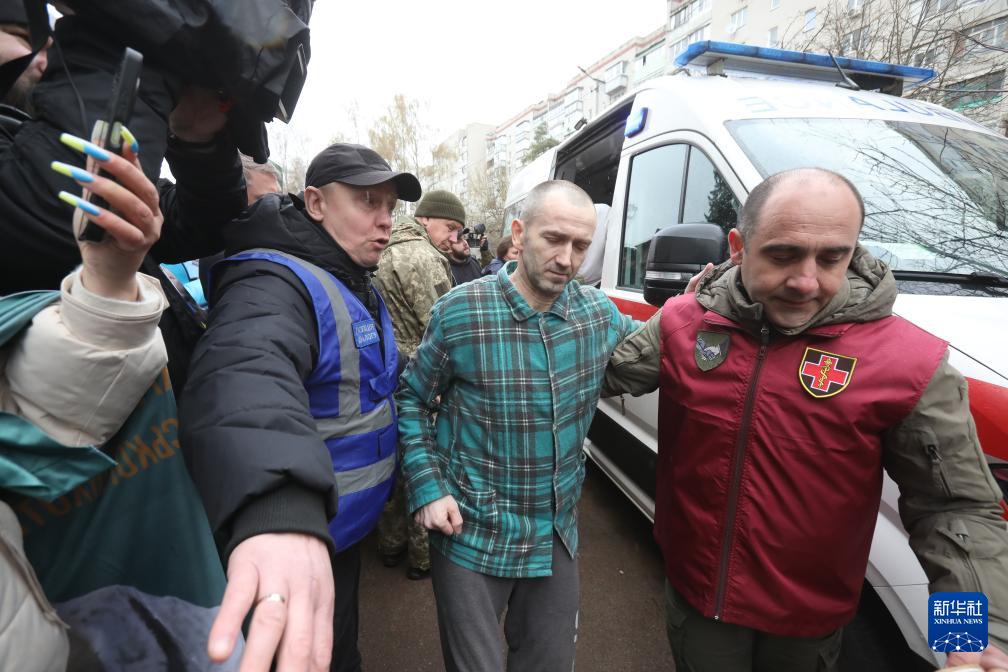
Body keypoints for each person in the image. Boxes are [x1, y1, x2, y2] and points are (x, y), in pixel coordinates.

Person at [601, 168, 1008, 672]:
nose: (805, 280)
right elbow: (599, 376)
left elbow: (954, 510)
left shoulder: (910, 363)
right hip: (700, 602)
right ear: (738, 247)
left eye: (832, 257)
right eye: (783, 255)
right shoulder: (684, 322)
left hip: (806, 626)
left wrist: (964, 635)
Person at [180, 143, 422, 672]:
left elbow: (362, 366)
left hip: (341, 533)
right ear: (315, 203)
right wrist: (278, 507)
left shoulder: (347, 273)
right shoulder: (272, 281)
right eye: (367, 202)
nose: (385, 220)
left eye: (390, 206)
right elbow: (245, 375)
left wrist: (423, 369)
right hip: (299, 543)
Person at [398, 180, 640, 671]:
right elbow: (413, 399)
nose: (567, 259)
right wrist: (428, 489)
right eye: (554, 239)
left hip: (555, 533)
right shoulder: (461, 312)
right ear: (518, 232)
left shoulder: (598, 315)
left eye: (581, 246)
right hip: (472, 532)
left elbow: (660, 344)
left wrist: (702, 304)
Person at [372, 187, 462, 580]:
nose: (453, 238)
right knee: (422, 461)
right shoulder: (423, 257)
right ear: (424, 218)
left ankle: (389, 544)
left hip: (384, 370)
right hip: (422, 373)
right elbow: (444, 326)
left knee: (391, 462)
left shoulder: (382, 248)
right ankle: (422, 557)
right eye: (449, 227)